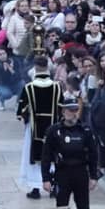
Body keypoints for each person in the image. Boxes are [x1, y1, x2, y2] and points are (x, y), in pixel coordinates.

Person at [40, 98, 99, 209]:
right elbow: (46, 156)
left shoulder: (86, 130)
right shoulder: (53, 131)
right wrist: (46, 179)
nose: (73, 113)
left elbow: (93, 154)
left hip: (81, 173)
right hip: (62, 173)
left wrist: (94, 176)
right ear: (63, 111)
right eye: (70, 110)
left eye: (76, 110)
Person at [17, 57, 62, 199]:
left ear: (35, 67)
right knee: (52, 155)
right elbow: (61, 108)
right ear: (48, 67)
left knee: (34, 156)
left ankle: (35, 188)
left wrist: (24, 117)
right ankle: (54, 187)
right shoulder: (57, 87)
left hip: (34, 128)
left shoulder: (28, 87)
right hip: (53, 128)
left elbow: (21, 111)